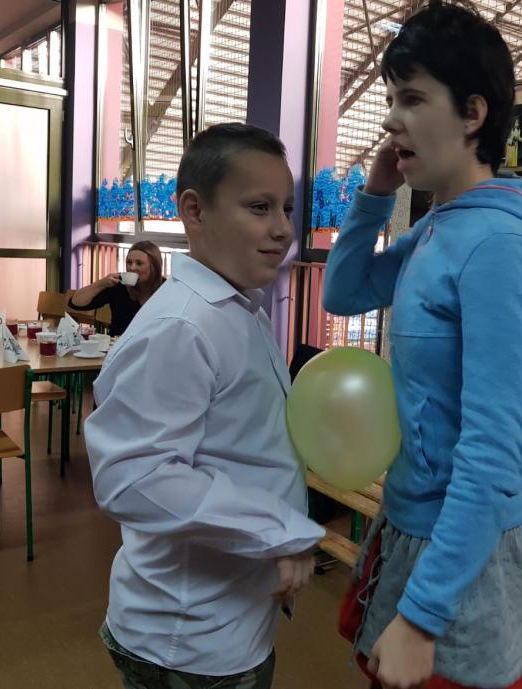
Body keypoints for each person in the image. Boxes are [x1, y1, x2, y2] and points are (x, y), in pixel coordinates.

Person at [323, 0, 522, 689]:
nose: (391, 118)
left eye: (412, 98)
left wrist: (424, 616)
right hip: (413, 527)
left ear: (473, 114)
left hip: (465, 556)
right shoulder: (440, 226)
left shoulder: (498, 244)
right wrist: (375, 196)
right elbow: (345, 291)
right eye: (390, 98)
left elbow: (494, 447)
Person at [85, 124, 325, 689]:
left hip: (231, 620)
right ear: (194, 210)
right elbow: (133, 477)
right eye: (259, 207)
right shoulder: (182, 325)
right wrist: (279, 529)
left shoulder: (239, 310)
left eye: (287, 208)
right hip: (188, 642)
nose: (283, 229)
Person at [68, 240, 165, 337]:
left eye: (139, 263)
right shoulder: (119, 285)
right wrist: (101, 283)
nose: (132, 268)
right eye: (129, 262)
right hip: (118, 344)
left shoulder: (166, 289)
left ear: (154, 267)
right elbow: (75, 303)